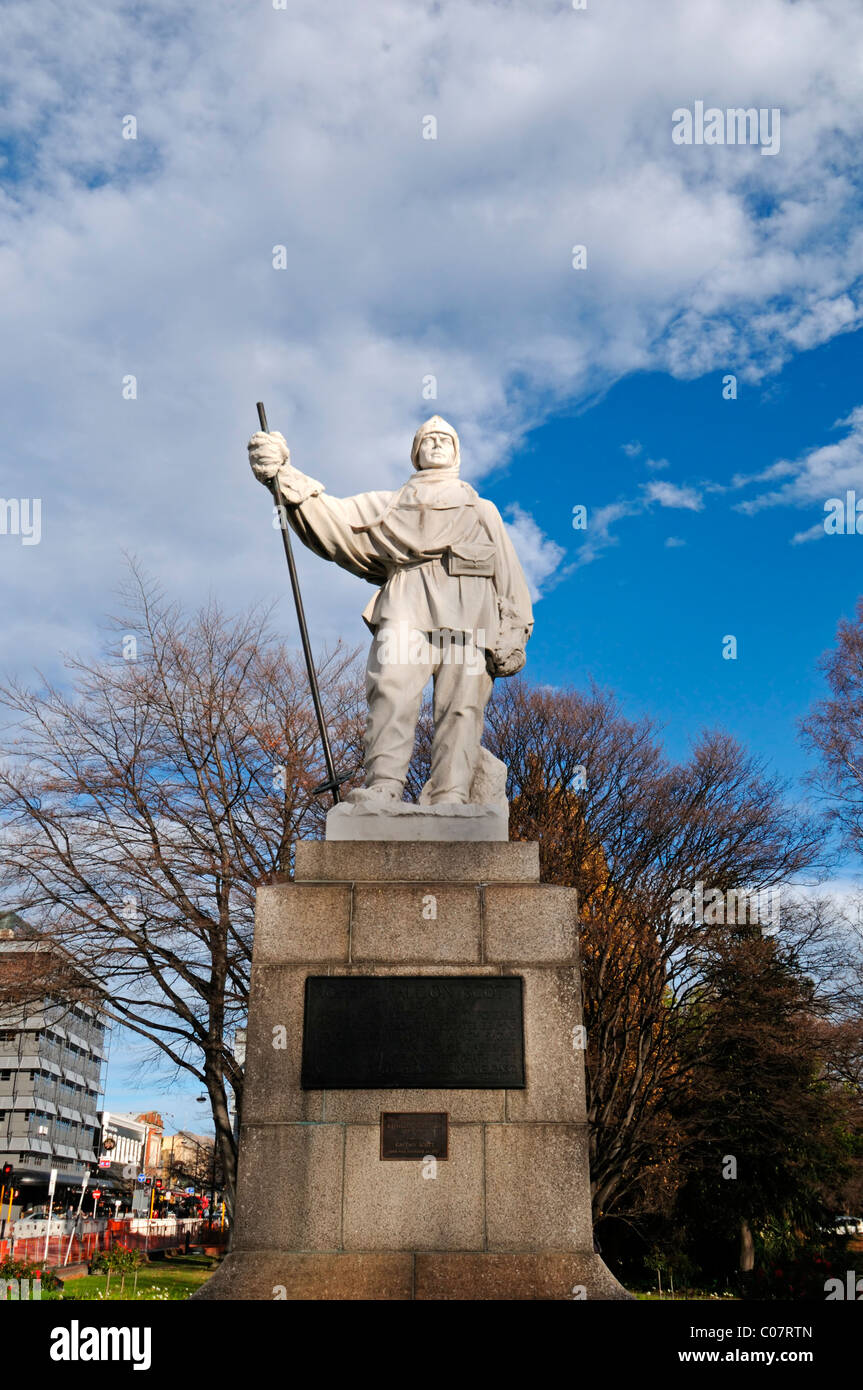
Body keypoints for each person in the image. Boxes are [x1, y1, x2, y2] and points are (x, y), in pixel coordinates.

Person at [248, 415, 533, 805]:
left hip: (470, 615)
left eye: (444, 439)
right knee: (390, 691)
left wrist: (514, 632)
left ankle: (451, 794)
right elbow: (333, 519)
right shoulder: (388, 504)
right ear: (416, 452)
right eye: (427, 439)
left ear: (456, 452)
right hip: (406, 603)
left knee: (461, 707)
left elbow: (510, 578)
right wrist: (281, 473)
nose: (435, 444)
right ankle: (383, 786)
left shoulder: (482, 511)